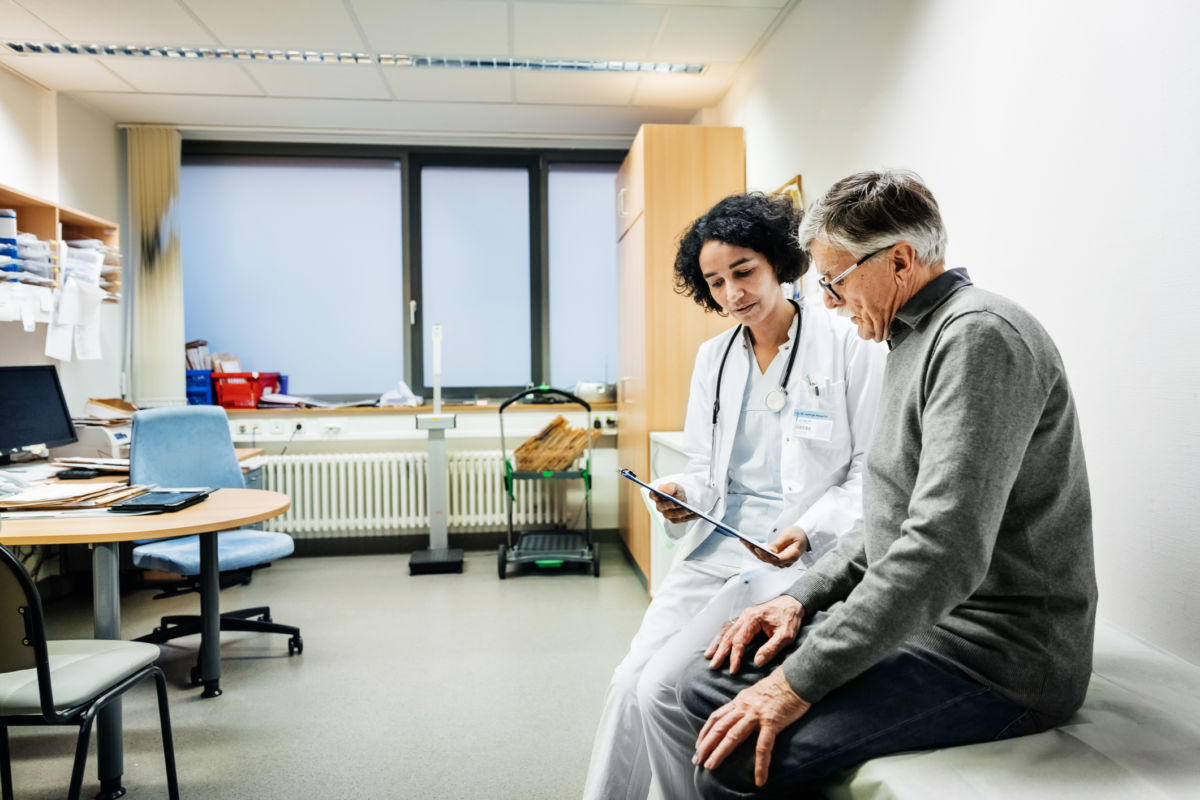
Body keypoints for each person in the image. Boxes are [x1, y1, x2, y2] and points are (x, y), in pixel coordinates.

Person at [663, 170, 1097, 799]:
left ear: (898, 260)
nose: (830, 303)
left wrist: (793, 684)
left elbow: (940, 551)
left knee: (729, 764)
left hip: (994, 657)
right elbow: (887, 514)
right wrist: (801, 600)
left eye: (836, 282)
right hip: (929, 628)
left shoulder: (977, 339)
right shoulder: (911, 340)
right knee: (703, 685)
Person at [582, 192, 884, 800]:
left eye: (743, 272)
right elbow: (703, 466)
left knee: (659, 689)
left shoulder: (846, 342)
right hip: (718, 540)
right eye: (714, 282)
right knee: (626, 681)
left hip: (789, 557)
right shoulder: (713, 358)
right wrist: (676, 492)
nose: (731, 294)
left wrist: (809, 530)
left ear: (778, 262)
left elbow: (869, 472)